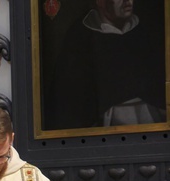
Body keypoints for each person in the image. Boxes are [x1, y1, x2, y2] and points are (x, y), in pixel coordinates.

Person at [47, 0, 166, 129]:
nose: (128, 1)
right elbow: (70, 102)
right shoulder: (80, 38)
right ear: (100, 2)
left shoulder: (144, 32)